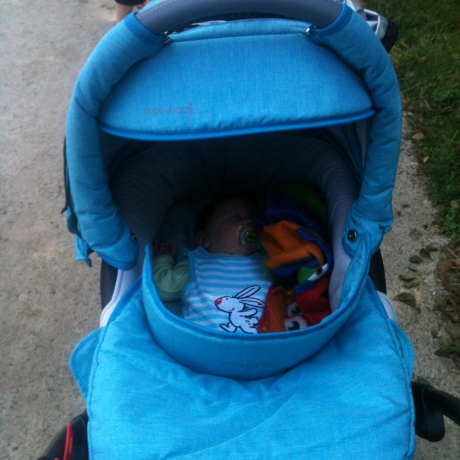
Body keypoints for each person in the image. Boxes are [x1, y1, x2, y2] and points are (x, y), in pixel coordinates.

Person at [153, 195, 272, 334]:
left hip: (264, 342)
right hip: (205, 341)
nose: (250, 222)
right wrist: (163, 258)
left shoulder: (269, 260)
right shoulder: (197, 262)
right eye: (235, 218)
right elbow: (164, 288)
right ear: (204, 239)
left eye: (253, 219)